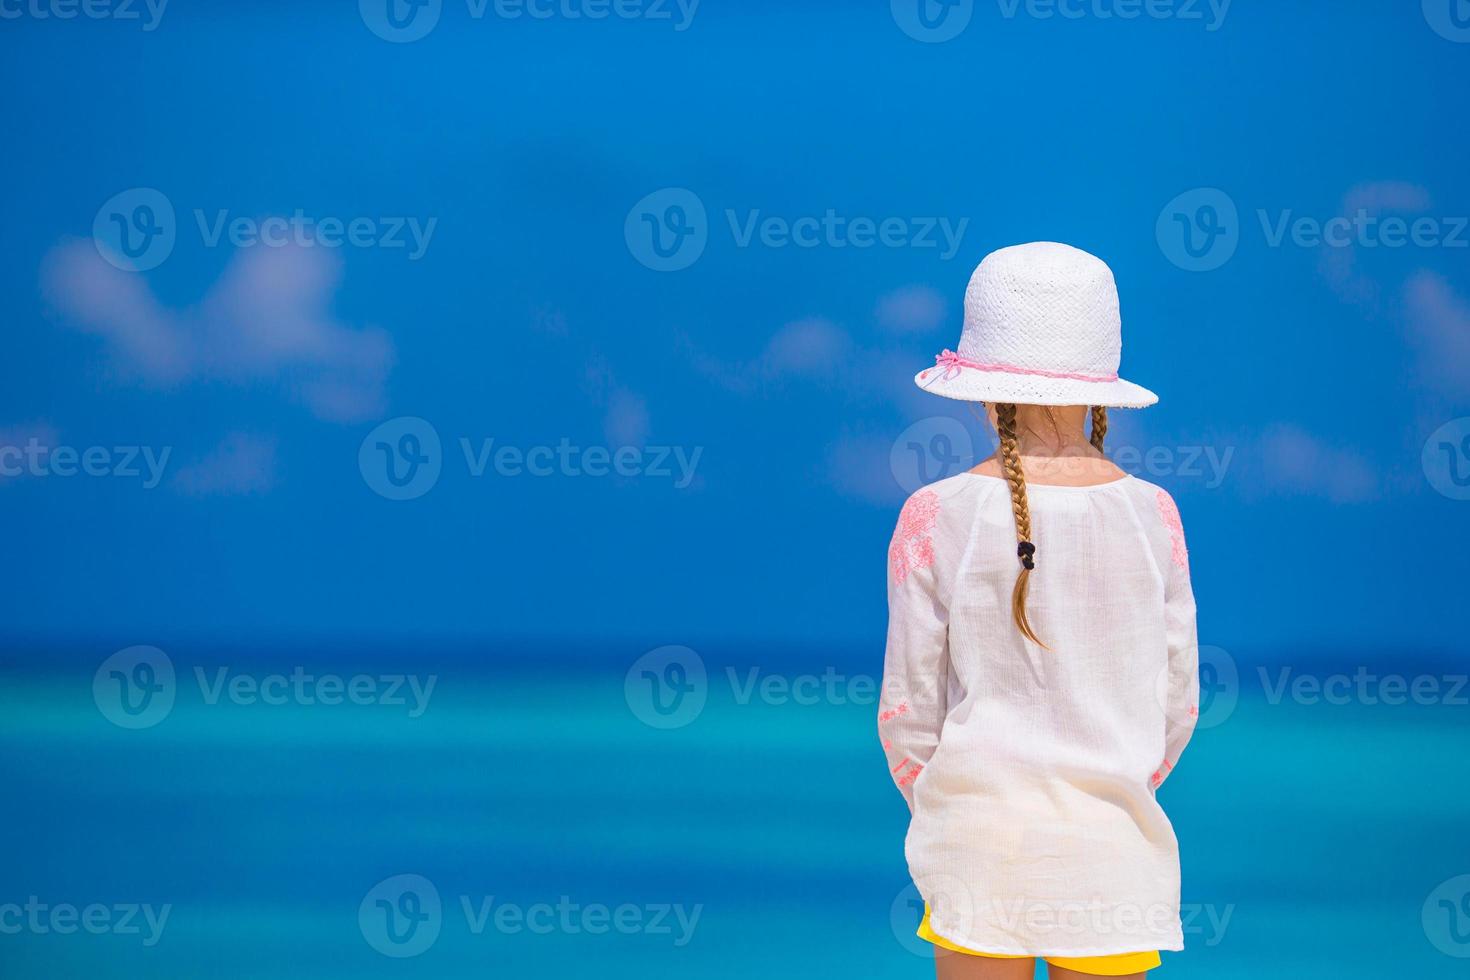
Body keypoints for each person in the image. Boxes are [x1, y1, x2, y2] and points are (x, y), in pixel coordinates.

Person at [880, 242, 1200, 979]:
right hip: (1112, 848)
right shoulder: (1156, 514)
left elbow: (907, 709)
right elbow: (1176, 705)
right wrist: (1111, 784)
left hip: (976, 842)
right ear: (1101, 392)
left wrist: (944, 801)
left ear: (984, 390)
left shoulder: (934, 513)